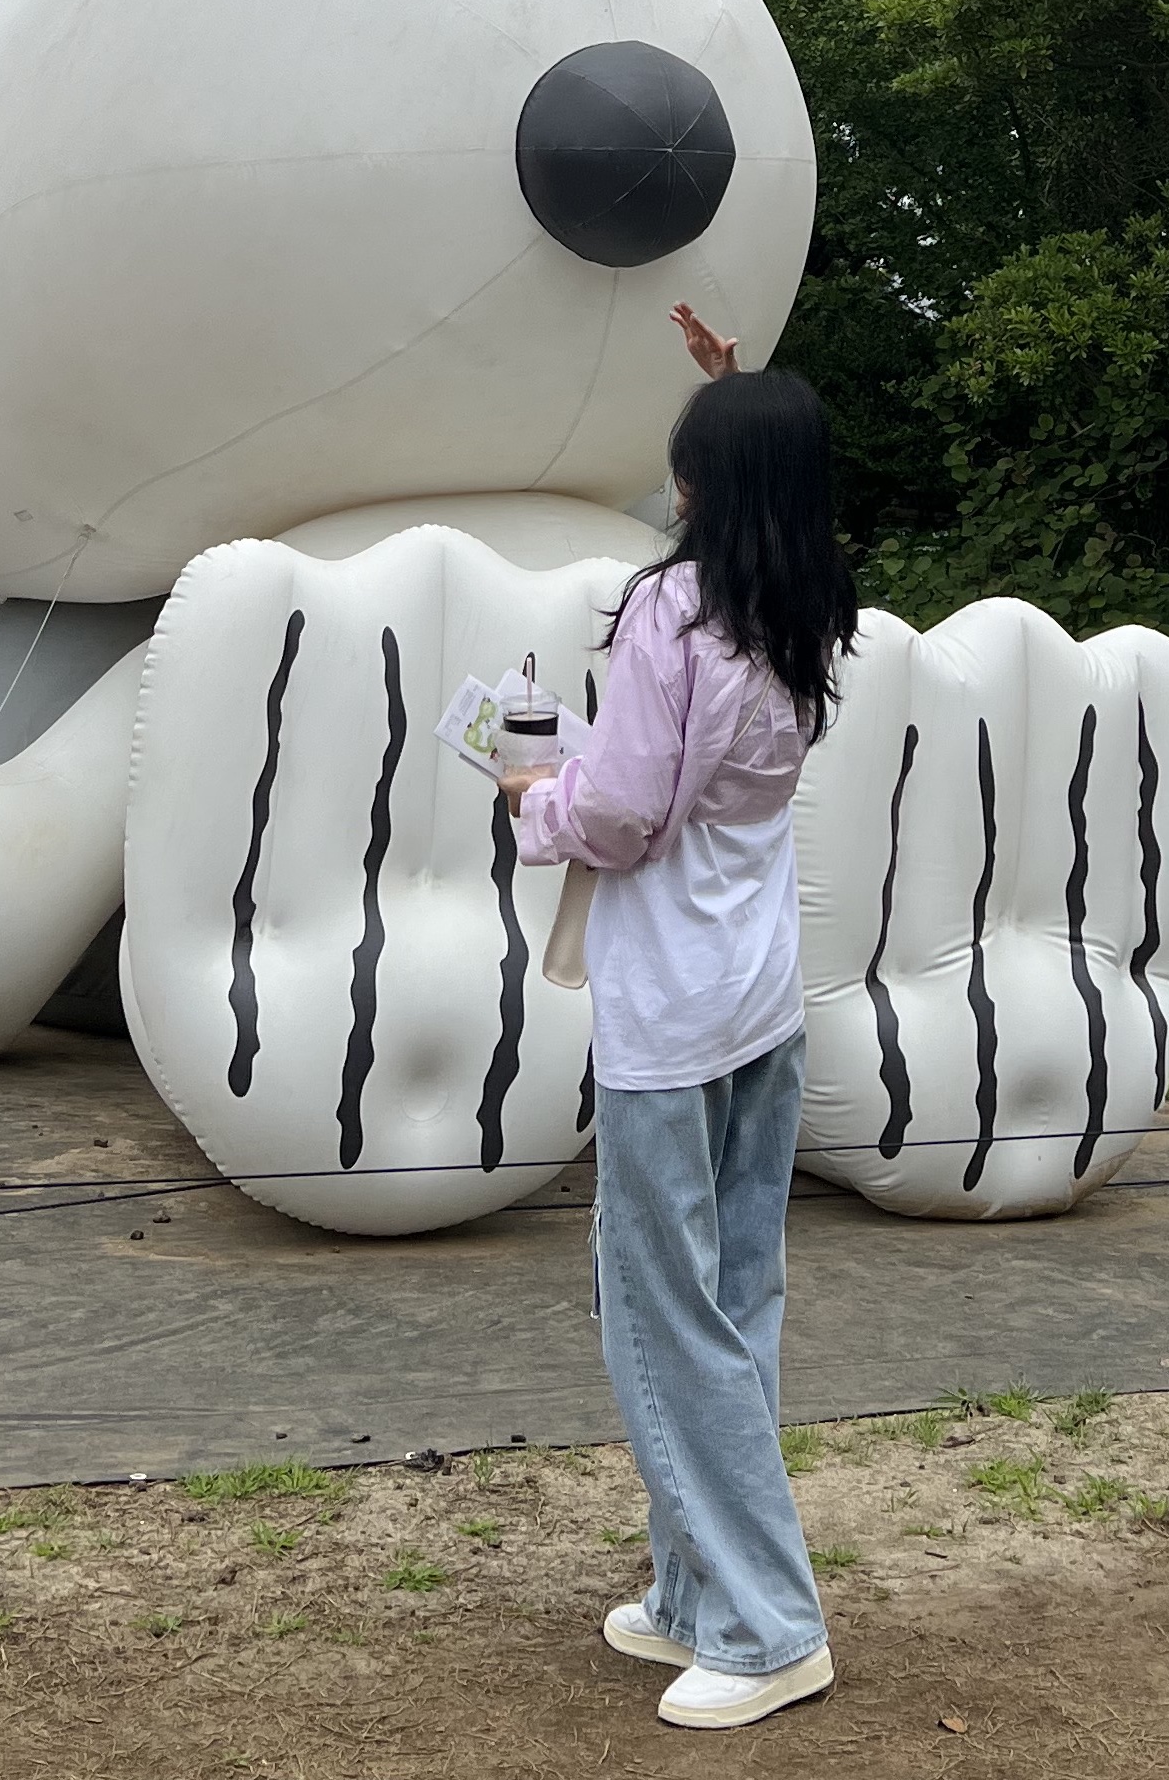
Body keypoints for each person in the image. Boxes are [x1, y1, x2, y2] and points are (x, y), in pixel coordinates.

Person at [500, 301, 858, 1732]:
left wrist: (532, 798)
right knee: (736, 1301)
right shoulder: (804, 602)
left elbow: (625, 812)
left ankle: (769, 1627)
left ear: (705, 483)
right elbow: (777, 479)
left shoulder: (672, 611)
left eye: (688, 461)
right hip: (759, 999)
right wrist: (742, 389)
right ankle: (700, 1591)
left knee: (660, 1317)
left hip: (667, 1013)